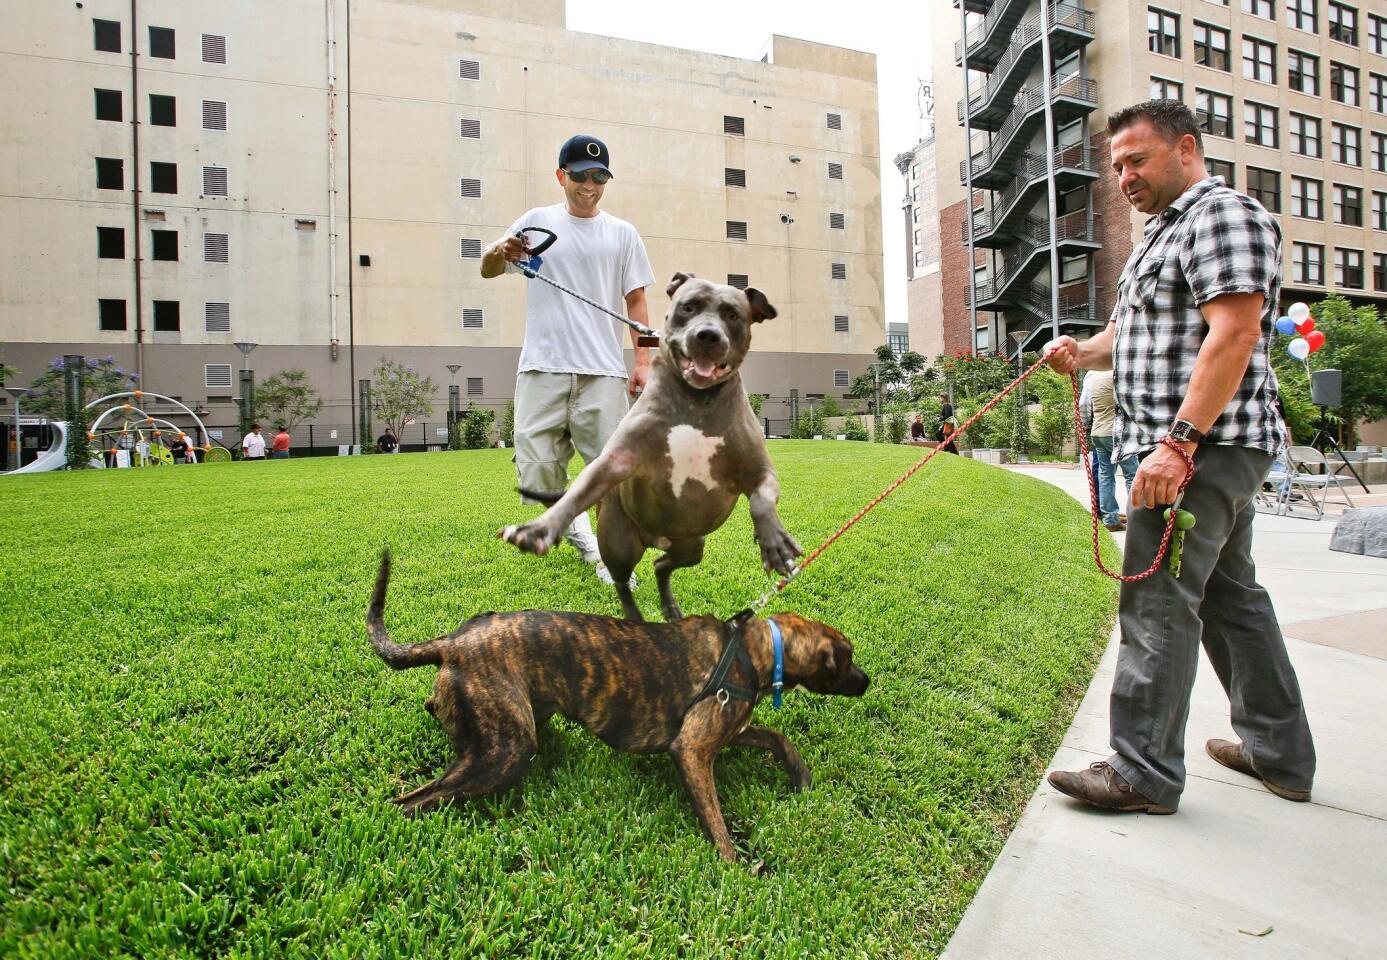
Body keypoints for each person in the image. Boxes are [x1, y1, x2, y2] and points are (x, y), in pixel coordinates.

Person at [1042, 100, 1315, 815]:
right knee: (1231, 599)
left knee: (1156, 603)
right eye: (1116, 167)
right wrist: (1078, 351)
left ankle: (1142, 773)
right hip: (1192, 450)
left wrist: (1176, 445)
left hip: (1198, 450)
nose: (1123, 176)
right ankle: (1278, 753)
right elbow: (1121, 336)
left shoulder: (1220, 216)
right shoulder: (1160, 234)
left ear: (1185, 148)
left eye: (1136, 160)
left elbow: (1234, 334)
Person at [480, 134, 655, 586]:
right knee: (538, 474)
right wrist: (500, 251)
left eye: (599, 177)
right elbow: (488, 266)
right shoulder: (535, 223)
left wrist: (643, 363)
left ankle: (608, 558)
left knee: (610, 478)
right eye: (580, 175)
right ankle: (585, 542)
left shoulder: (623, 234)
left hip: (602, 373)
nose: (589, 185)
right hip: (543, 367)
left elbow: (636, 302)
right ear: (561, 176)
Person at [1086, 370, 1139, 532]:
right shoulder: (1118, 374)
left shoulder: (1092, 376)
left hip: (1098, 432)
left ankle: (1110, 519)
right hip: (1117, 433)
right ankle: (1138, 519)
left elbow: (1084, 405)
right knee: (1133, 475)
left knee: (1105, 475)